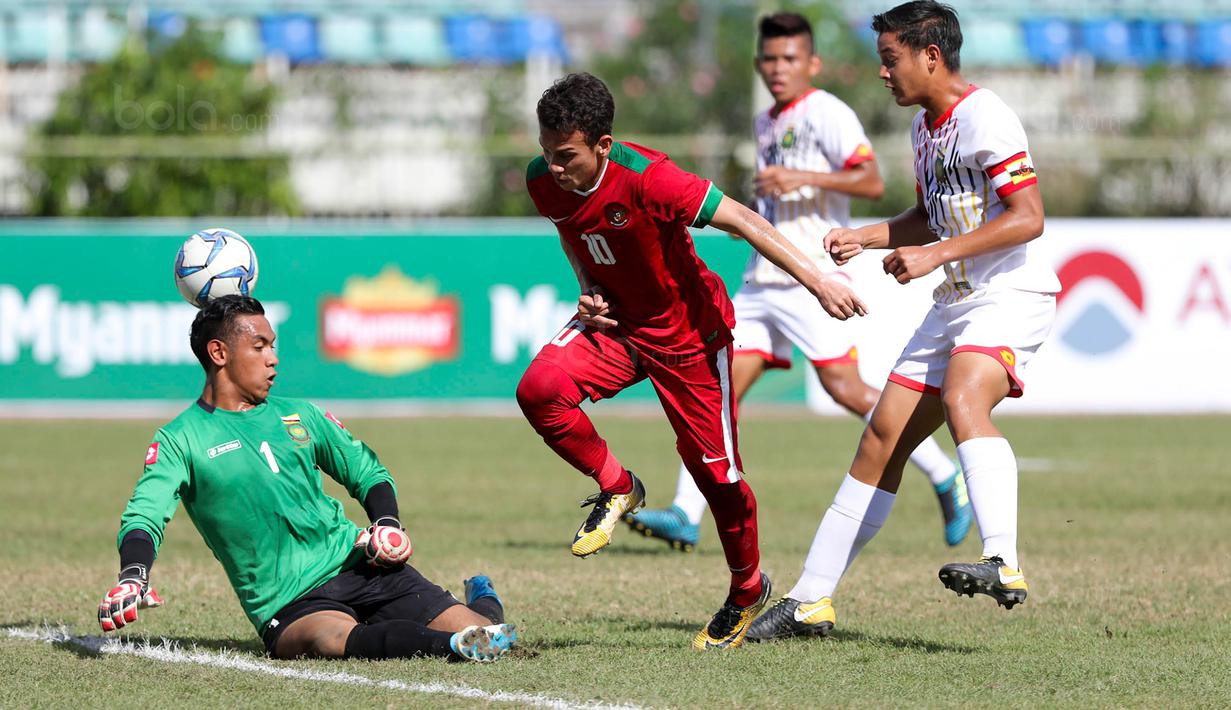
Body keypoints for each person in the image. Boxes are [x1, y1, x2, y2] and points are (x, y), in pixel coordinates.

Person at [517, 72, 866, 650]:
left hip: (690, 338)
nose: (554, 167)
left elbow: (748, 221)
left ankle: (747, 589)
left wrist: (818, 282)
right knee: (540, 389)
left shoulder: (653, 180)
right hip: (618, 326)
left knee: (716, 477)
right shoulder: (544, 180)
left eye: (567, 156)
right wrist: (587, 286)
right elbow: (571, 234)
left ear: (603, 145)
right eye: (546, 153)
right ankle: (618, 485)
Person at [747, 0, 1060, 642]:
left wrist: (934, 254)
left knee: (965, 395)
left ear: (930, 55)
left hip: (1008, 295)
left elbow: (1028, 216)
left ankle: (1003, 560)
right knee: (879, 440)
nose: (883, 74)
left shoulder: (986, 116)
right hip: (952, 304)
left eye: (890, 61)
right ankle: (810, 601)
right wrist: (867, 236)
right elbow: (934, 212)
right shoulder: (925, 127)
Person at [625, 11, 971, 554]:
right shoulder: (766, 119)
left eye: (789, 58)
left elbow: (871, 177)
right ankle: (688, 513)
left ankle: (944, 475)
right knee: (716, 390)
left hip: (812, 276)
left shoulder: (827, 112)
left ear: (812, 62)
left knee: (845, 389)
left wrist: (801, 177)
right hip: (764, 280)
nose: (777, 68)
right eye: (768, 59)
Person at [98, 295, 516, 663]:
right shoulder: (180, 438)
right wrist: (134, 574)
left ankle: (482, 596)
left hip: (359, 564)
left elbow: (368, 471)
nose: (273, 357)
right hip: (290, 599)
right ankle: (454, 648)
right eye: (259, 346)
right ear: (219, 353)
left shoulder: (299, 414)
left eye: (273, 346)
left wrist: (386, 523)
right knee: (330, 640)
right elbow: (144, 517)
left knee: (489, 628)